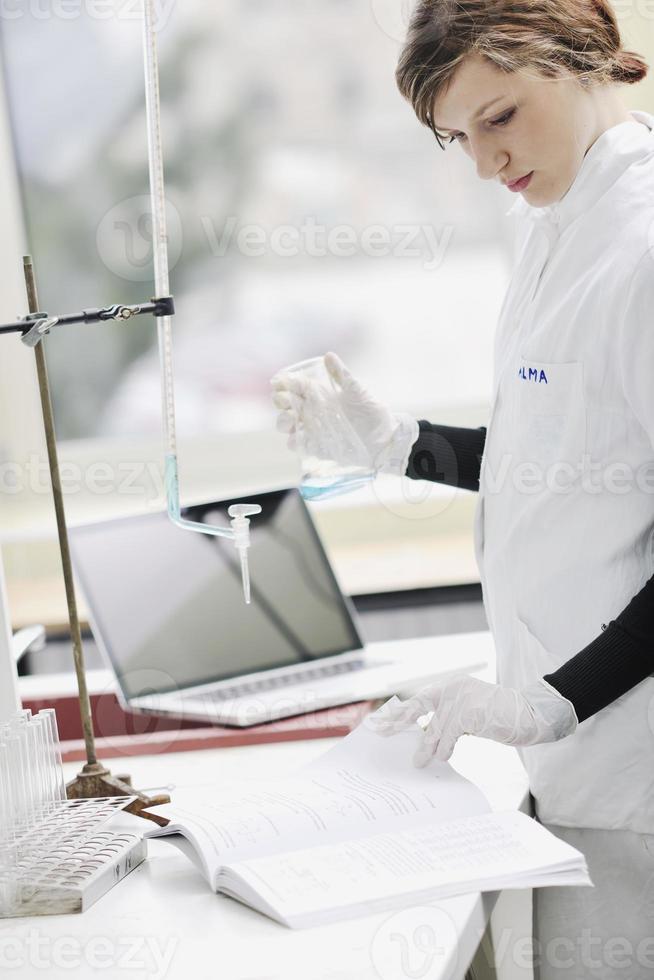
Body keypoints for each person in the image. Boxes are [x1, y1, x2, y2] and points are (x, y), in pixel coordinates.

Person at [271, 2, 654, 977]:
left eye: (501, 117)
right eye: (459, 136)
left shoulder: (644, 249)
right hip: (574, 760)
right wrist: (399, 444)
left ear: (578, 59)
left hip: (634, 766)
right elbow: (568, 454)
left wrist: (552, 703)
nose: (486, 161)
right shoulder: (556, 226)